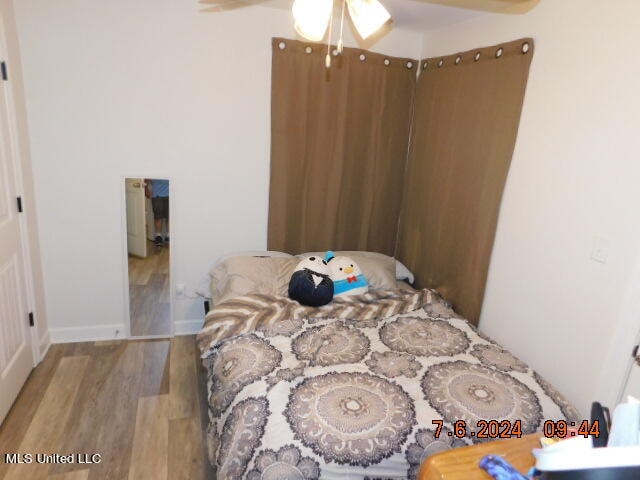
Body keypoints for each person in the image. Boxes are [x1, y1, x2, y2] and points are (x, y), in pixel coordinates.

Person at [145, 179, 169, 246]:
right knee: (158, 216)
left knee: (169, 216)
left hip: (171, 193)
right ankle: (158, 236)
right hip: (157, 194)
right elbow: (146, 179)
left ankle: (169, 235)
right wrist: (146, 189)